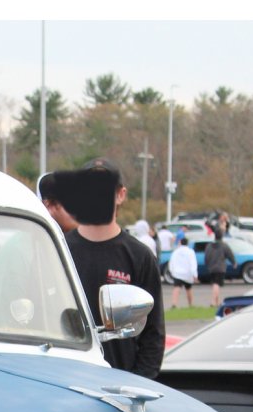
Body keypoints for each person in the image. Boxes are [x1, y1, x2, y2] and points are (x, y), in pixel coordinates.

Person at [49, 157, 166, 379]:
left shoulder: (140, 256)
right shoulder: (58, 250)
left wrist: (136, 383)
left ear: (120, 194)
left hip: (120, 386)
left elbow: (153, 333)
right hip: (67, 381)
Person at [201, 233, 235, 307]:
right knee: (217, 284)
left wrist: (207, 264)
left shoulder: (209, 246)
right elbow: (230, 254)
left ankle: (217, 302)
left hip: (211, 267)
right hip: (220, 268)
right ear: (221, 237)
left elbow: (206, 256)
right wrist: (234, 262)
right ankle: (213, 302)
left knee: (215, 284)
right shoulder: (224, 245)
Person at [167, 231, 197, 308]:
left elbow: (171, 262)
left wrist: (172, 271)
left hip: (177, 273)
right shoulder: (190, 252)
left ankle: (174, 303)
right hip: (187, 274)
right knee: (188, 289)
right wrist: (195, 274)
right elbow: (193, 263)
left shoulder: (176, 252)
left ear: (180, 242)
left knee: (176, 288)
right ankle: (190, 304)